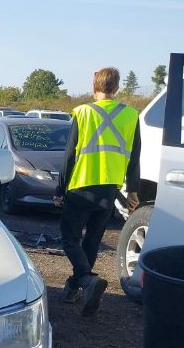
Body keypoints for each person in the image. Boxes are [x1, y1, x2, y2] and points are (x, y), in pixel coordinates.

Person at [54, 67, 141, 316]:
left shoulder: (83, 113)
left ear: (94, 88)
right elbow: (135, 157)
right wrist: (133, 190)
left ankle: (87, 279)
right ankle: (74, 287)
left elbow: (69, 155)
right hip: (109, 190)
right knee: (92, 240)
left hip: (81, 186)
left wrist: (59, 188)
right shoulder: (130, 115)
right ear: (116, 88)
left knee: (70, 238)